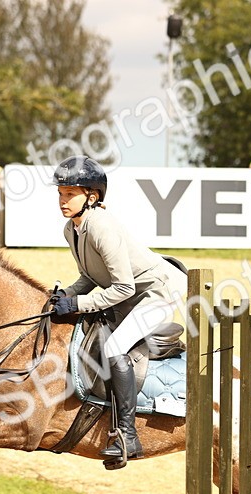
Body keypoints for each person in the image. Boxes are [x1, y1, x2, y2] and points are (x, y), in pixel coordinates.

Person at [49, 155, 187, 465]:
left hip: (156, 295)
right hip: (128, 295)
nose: (63, 200)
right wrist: (63, 295)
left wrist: (79, 304)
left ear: (92, 196)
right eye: (60, 193)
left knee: (114, 346)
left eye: (70, 193)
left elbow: (123, 287)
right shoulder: (71, 230)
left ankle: (127, 434)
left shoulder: (102, 227)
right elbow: (89, 277)